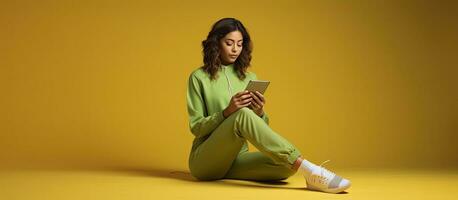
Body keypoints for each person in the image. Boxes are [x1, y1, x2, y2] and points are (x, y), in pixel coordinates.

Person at [186, 17, 351, 193]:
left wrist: (259, 113)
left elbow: (257, 132)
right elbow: (196, 127)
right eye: (229, 43)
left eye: (240, 44)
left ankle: (294, 165)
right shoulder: (198, 78)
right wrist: (227, 112)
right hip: (205, 161)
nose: (235, 49)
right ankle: (311, 171)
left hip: (236, 159)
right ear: (216, 43)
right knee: (242, 115)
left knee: (285, 166)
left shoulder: (249, 78)